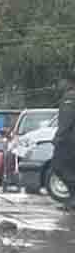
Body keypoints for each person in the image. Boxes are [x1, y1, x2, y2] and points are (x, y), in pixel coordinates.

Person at [55, 76, 75, 207]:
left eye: (60, 81)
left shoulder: (70, 97)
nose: (58, 84)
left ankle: (73, 197)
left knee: (59, 166)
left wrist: (58, 137)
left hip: (68, 140)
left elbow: (67, 119)